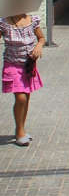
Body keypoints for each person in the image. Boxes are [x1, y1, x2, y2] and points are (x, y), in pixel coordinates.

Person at [1, 12, 44, 146]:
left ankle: (21, 129)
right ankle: (19, 132)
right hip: (12, 65)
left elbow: (41, 38)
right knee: (21, 98)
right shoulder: (4, 23)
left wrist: (38, 47)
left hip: (28, 66)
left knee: (26, 98)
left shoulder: (32, 20)